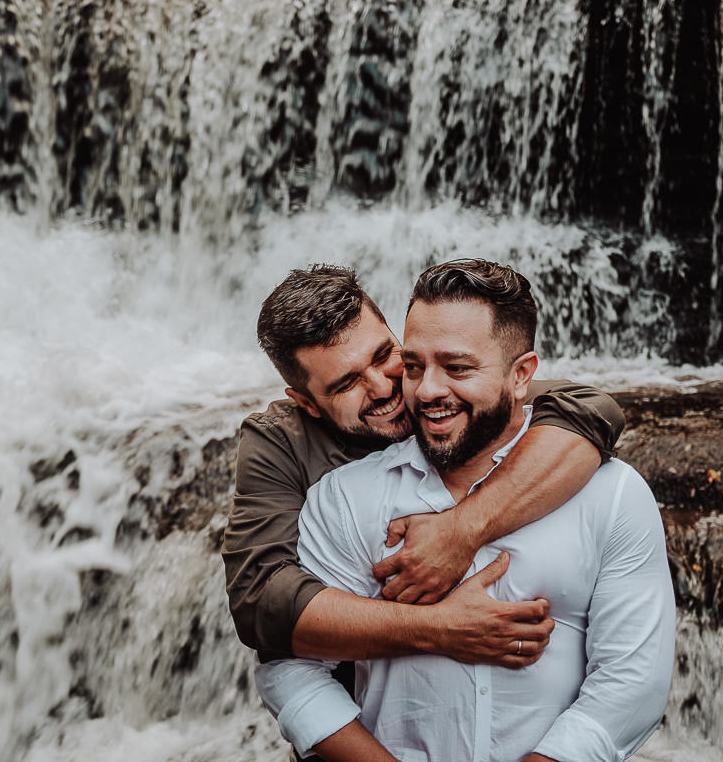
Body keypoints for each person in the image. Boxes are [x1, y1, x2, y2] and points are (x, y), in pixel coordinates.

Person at [255, 259, 675, 762]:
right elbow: (289, 664)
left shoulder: (611, 493)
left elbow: (634, 682)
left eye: (456, 368)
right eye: (415, 366)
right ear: (307, 401)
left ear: (521, 375)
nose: (421, 390)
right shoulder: (341, 496)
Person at [222, 265, 626, 673]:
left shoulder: (439, 391)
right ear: (307, 403)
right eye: (347, 384)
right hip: (348, 703)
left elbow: (592, 410)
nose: (384, 388)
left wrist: (461, 531)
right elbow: (260, 602)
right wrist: (439, 628)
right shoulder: (280, 441)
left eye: (385, 356)